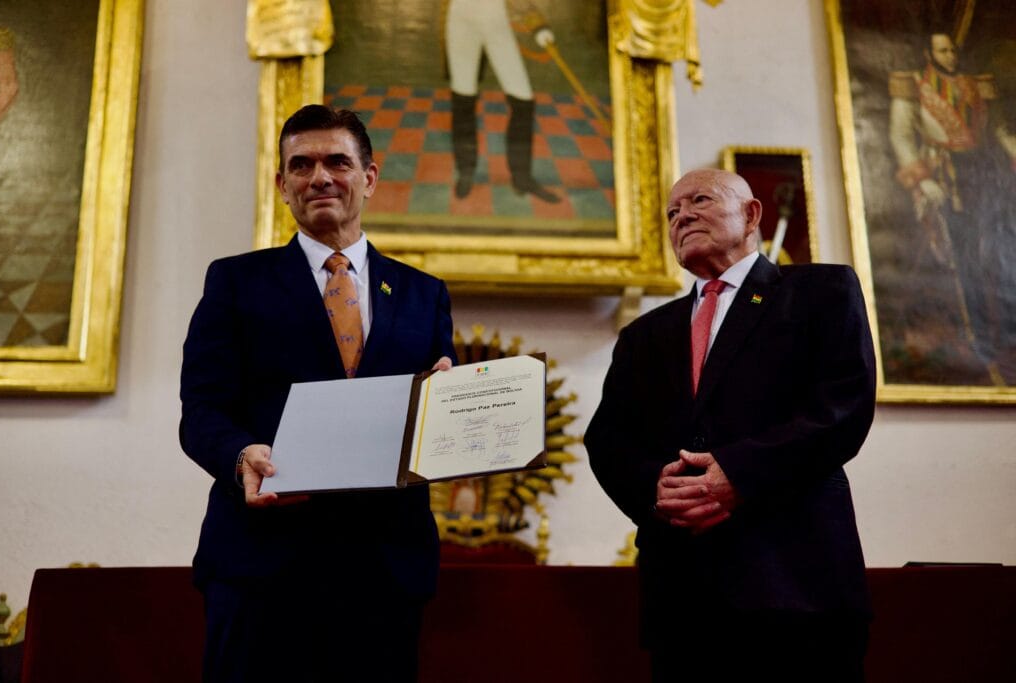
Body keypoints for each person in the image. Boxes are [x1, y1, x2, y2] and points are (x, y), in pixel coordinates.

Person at [180, 105, 456, 683]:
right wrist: (239, 457)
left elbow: (434, 420)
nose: (319, 177)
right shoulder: (234, 281)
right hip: (262, 566)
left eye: (337, 162)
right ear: (282, 186)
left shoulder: (423, 294)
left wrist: (454, 414)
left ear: (370, 178)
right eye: (300, 165)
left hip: (386, 570)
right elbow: (202, 408)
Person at [585, 169, 877, 681]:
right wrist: (655, 487)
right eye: (672, 213)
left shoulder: (820, 291)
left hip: (795, 582)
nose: (682, 217)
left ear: (751, 214)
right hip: (683, 595)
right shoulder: (644, 334)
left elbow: (842, 407)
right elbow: (607, 439)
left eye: (699, 200)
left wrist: (738, 473)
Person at [889, 31, 1016, 383]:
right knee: (964, 260)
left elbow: (1001, 129)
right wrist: (921, 179)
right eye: (942, 49)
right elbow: (901, 136)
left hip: (985, 174)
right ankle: (978, 337)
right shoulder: (913, 86)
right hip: (947, 177)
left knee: (998, 251)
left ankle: (1008, 332)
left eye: (953, 49)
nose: (950, 55)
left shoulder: (975, 86)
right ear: (929, 53)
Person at [445, 0, 560, 202]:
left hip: (496, 23)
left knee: (523, 100)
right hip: (461, 22)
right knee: (463, 99)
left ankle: (521, 177)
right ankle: (466, 171)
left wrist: (537, 25)